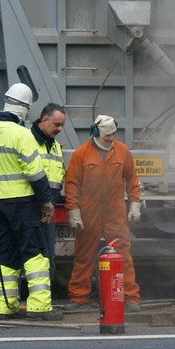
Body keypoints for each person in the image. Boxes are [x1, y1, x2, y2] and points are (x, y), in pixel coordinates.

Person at [0, 83, 58, 320]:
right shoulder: (22, 134)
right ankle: (39, 307)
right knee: (34, 254)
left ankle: (7, 306)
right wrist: (46, 202)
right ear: (25, 109)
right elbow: (35, 173)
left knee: (7, 255)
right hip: (23, 203)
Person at [64, 115, 143, 312]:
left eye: (114, 134)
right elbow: (72, 185)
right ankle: (79, 297)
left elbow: (133, 181)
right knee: (84, 254)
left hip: (115, 210)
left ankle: (130, 297)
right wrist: (74, 213)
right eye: (108, 135)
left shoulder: (123, 152)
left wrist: (135, 205)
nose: (111, 138)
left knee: (123, 253)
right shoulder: (81, 154)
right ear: (97, 133)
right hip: (89, 210)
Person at [31, 103, 67, 263]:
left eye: (62, 125)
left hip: (48, 210)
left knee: (48, 256)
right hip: (30, 208)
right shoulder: (27, 142)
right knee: (33, 256)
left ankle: (46, 288)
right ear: (44, 119)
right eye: (57, 124)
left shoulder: (55, 147)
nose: (60, 129)